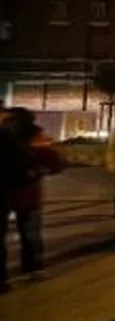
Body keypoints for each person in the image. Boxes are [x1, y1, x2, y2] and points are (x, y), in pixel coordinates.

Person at [1, 107, 65, 291]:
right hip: (25, 193)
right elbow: (55, 162)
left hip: (11, 193)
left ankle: (13, 275)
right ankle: (32, 268)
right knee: (30, 233)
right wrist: (40, 170)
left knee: (26, 233)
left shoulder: (10, 136)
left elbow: (53, 161)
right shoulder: (33, 138)